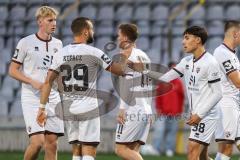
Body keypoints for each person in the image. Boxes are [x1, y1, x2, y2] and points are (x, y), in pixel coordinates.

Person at [36, 17, 136, 160]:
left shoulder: (60, 54)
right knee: (89, 150)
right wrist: (126, 54)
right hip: (87, 108)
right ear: (85, 32)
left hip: (69, 109)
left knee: (76, 150)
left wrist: (41, 108)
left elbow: (47, 82)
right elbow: (119, 70)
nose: (93, 32)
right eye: (91, 29)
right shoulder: (94, 52)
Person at [145, 26, 222, 160]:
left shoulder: (211, 62)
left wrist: (200, 114)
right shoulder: (186, 61)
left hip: (207, 115)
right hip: (197, 115)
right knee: (203, 156)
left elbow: (218, 93)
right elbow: (165, 78)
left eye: (187, 38)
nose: (183, 42)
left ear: (197, 40)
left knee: (192, 149)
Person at [8, 6, 64, 160]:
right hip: (32, 97)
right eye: (50, 20)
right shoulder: (25, 42)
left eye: (55, 20)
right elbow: (12, 70)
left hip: (52, 97)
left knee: (52, 143)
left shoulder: (58, 44)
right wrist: (31, 81)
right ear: (40, 22)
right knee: (37, 142)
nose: (54, 23)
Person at [114, 23, 152, 160]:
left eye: (119, 36)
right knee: (132, 150)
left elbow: (127, 85)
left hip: (133, 108)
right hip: (145, 109)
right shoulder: (144, 56)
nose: (117, 38)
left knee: (120, 149)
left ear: (124, 37)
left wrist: (122, 109)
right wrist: (149, 109)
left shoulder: (126, 56)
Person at [213, 20, 240, 160]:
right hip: (226, 104)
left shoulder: (231, 54)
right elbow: (237, 81)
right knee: (226, 147)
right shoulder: (222, 53)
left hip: (233, 104)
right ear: (235, 34)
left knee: (231, 145)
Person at [151, 61, 185, 157]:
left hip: (175, 113)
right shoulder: (163, 82)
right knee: (159, 131)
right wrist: (158, 109)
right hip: (163, 113)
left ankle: (169, 149)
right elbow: (158, 96)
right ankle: (156, 149)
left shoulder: (179, 83)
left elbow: (182, 98)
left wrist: (180, 111)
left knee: (172, 132)